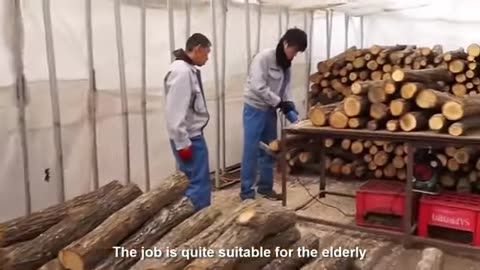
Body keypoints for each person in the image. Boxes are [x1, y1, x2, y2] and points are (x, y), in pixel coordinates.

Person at [240, 28, 308, 201]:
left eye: (298, 53)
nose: (294, 55)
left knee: (270, 149)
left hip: (270, 111)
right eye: (294, 50)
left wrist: (289, 105)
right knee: (251, 149)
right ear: (286, 44)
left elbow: (285, 88)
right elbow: (258, 86)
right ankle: (246, 193)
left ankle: (265, 187)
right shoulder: (263, 58)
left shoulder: (286, 65)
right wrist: (278, 102)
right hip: (254, 109)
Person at [164, 33, 212, 211]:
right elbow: (175, 111)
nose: (207, 58)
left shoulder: (186, 69)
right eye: (206, 53)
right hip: (189, 138)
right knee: (198, 184)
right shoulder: (182, 72)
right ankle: (199, 219)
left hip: (192, 135)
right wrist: (183, 143)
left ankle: (194, 218)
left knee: (194, 180)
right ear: (197, 49)